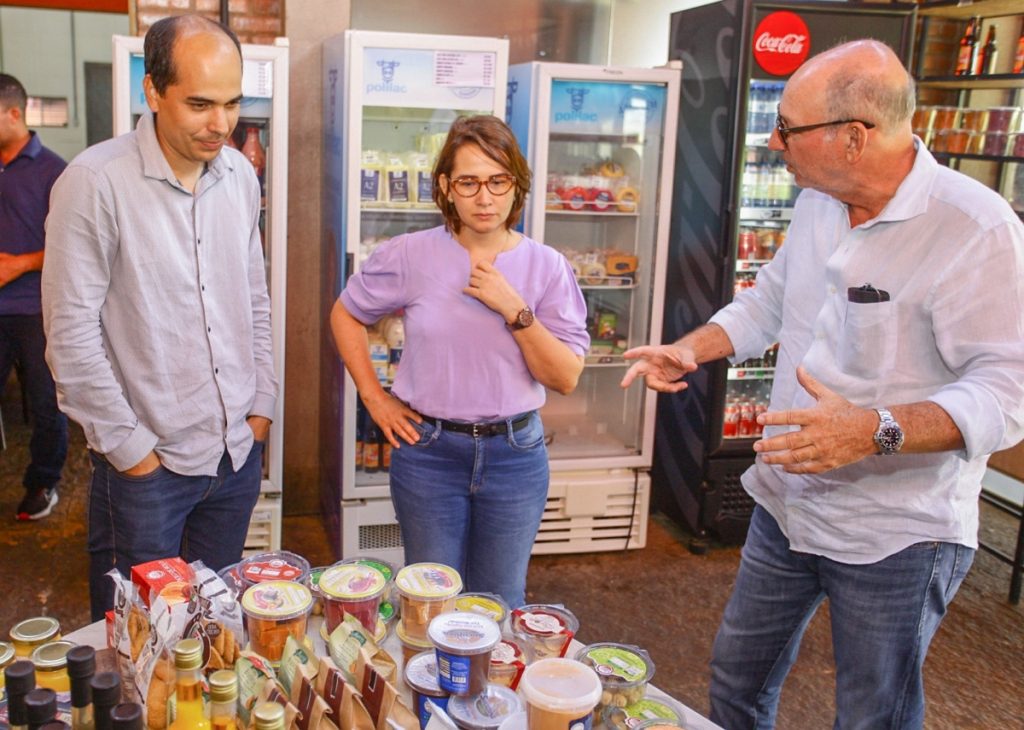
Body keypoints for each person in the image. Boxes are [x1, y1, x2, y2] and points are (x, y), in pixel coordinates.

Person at [622, 40, 1024, 729]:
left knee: (873, 715)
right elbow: (769, 302)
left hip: (898, 534)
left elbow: (1008, 393)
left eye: (787, 127)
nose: (773, 142)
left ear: (853, 138)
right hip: (787, 504)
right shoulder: (819, 201)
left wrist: (875, 430)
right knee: (736, 679)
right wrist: (690, 350)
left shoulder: (976, 229)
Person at [42, 15, 277, 621]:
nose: (221, 124)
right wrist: (133, 453)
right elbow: (70, 336)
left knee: (213, 627)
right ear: (152, 90)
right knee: (141, 641)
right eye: (200, 104)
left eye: (232, 103)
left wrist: (260, 408)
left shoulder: (240, 177)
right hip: (147, 472)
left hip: (233, 457)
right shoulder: (94, 182)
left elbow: (253, 299)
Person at [330, 115, 589, 608]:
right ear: (447, 188)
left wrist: (514, 309)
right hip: (429, 453)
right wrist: (375, 398)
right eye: (469, 182)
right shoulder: (411, 254)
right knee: (430, 600)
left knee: (500, 600)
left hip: (515, 454)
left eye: (498, 181)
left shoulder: (547, 266)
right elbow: (345, 313)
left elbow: (564, 377)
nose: (484, 197)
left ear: (517, 185)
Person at [0, 73, 69, 521]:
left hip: (35, 310)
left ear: (14, 113)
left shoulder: (54, 171)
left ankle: (43, 483)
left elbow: (72, 247)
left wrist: (19, 263)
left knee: (47, 404)